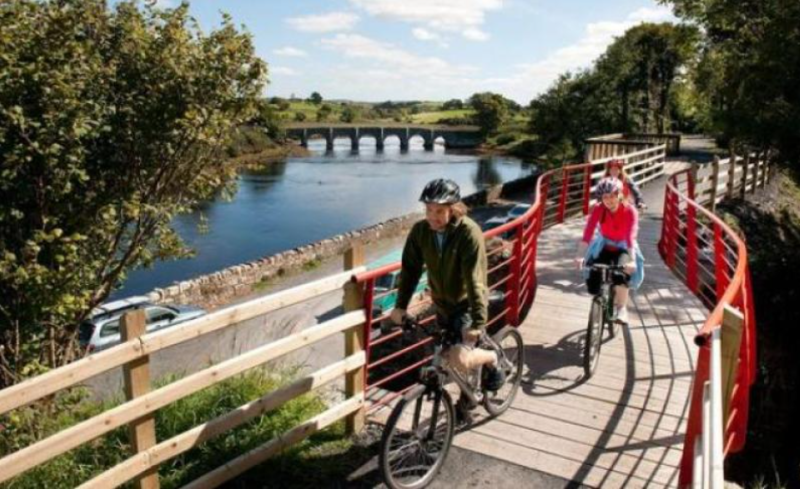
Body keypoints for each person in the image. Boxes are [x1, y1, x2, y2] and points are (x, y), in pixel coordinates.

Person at [390, 178, 504, 423]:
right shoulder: (421, 231)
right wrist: (400, 306)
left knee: (460, 357)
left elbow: (475, 280)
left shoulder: (468, 232)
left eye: (439, 211)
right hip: (442, 305)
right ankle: (467, 398)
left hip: (466, 304)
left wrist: (478, 322)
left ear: (454, 208)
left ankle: (492, 359)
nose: (433, 217)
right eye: (429, 210)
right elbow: (410, 270)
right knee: (444, 354)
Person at [576, 177, 644, 325]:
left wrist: (632, 261)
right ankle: (602, 300)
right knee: (593, 277)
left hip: (624, 246)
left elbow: (630, 237)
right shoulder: (599, 209)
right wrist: (580, 256)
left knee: (621, 274)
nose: (609, 200)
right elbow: (588, 232)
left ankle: (621, 309)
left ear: (619, 194)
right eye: (605, 197)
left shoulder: (630, 210)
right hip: (604, 244)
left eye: (612, 196)